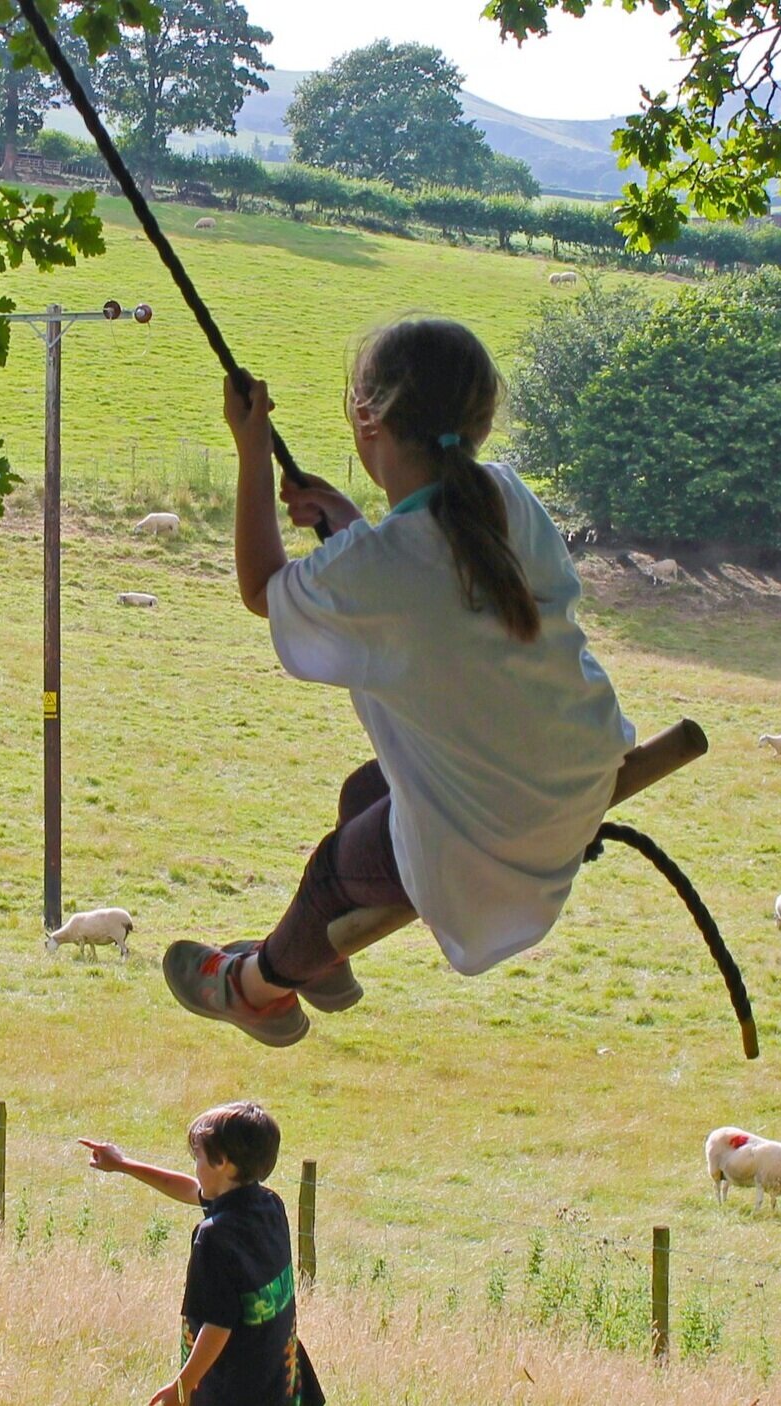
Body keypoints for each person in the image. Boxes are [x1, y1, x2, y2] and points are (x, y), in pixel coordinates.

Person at [159, 318, 634, 1045]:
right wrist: (353, 528)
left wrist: (253, 455)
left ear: (366, 416)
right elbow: (432, 568)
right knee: (364, 794)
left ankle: (254, 990)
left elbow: (264, 589)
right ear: (476, 419)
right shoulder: (507, 495)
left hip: (504, 830)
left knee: (330, 876)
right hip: (576, 777)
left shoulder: (377, 569)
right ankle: (320, 960)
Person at [80, 1101, 323, 1406]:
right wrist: (124, 1164)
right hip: (277, 1381)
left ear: (223, 1163)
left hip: (234, 1390)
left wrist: (182, 1387)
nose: (196, 1166)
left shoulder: (215, 1237)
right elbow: (190, 1189)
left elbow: (218, 1325)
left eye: (198, 1157)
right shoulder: (268, 1205)